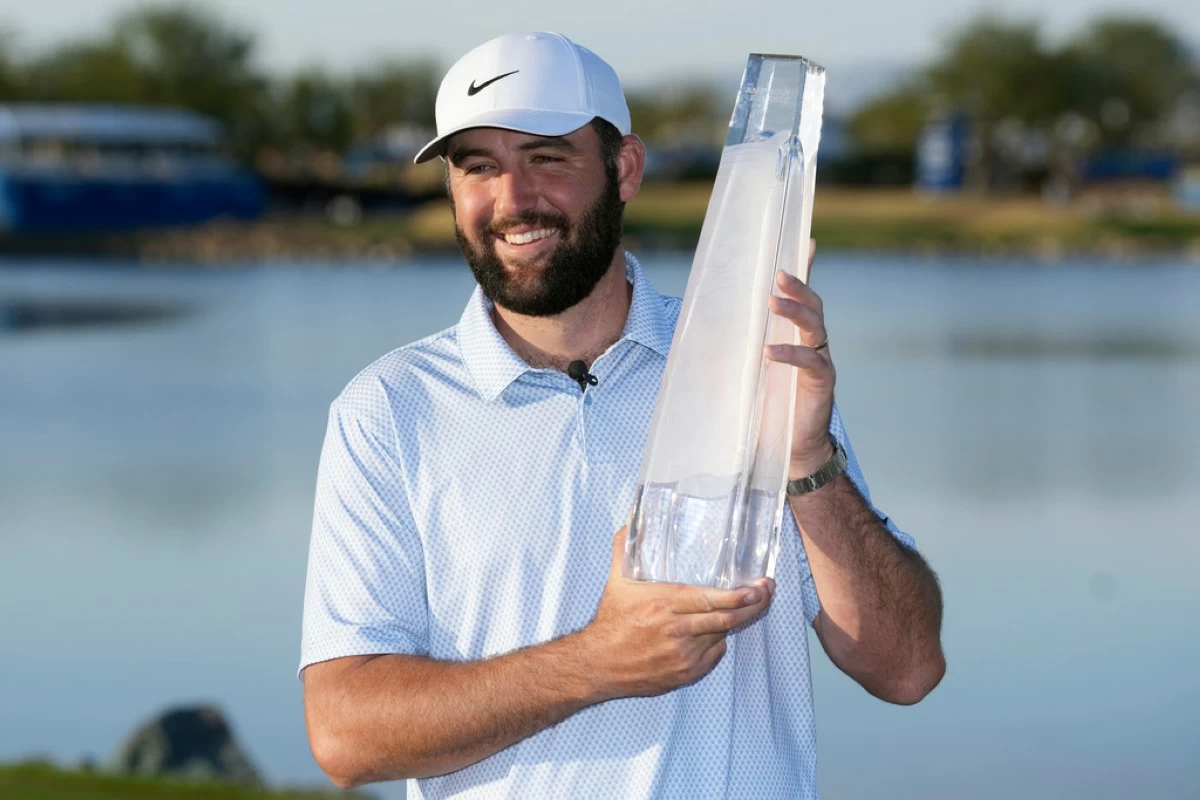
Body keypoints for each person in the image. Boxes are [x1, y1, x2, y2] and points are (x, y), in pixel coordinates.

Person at [299, 31, 945, 799]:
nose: (511, 200)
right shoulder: (388, 410)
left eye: (547, 158)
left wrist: (808, 461)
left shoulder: (751, 359)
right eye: (478, 167)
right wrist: (600, 661)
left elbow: (906, 667)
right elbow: (344, 734)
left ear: (624, 168)